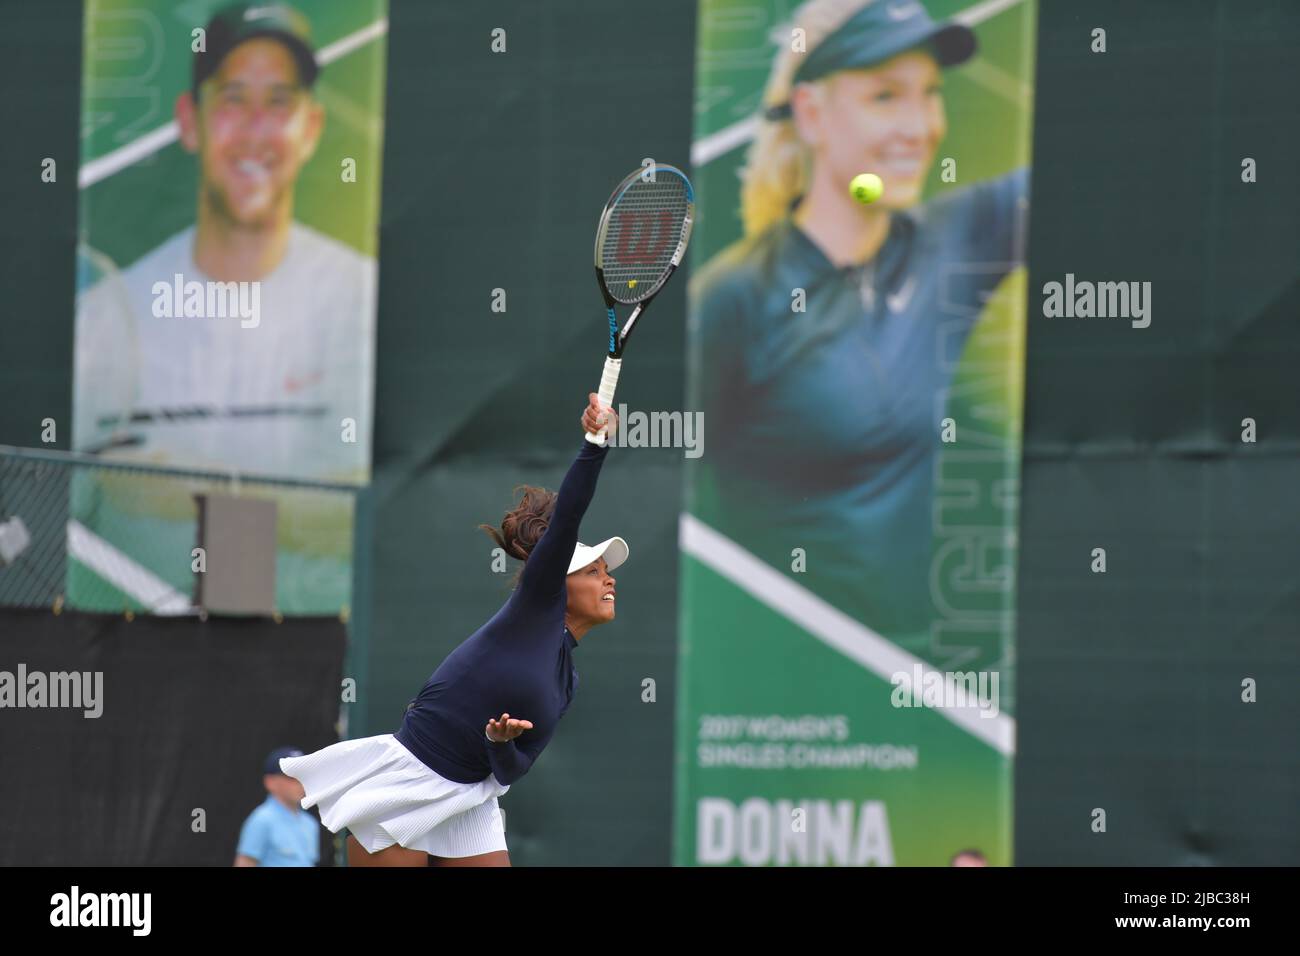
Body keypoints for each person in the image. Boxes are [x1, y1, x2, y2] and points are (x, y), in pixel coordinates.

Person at [690, 0, 1029, 650]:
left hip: (921, 685)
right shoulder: (734, 297)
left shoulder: (953, 236)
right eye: (884, 96)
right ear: (813, 113)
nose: (920, 126)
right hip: (777, 689)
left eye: (929, 94)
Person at [281, 394, 626, 867]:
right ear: (557, 584)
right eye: (593, 571)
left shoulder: (566, 681)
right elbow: (568, 517)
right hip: (410, 780)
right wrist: (596, 441)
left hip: (472, 796)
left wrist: (499, 745)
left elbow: (514, 768)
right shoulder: (535, 607)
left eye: (607, 571)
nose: (608, 579)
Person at [74, 2, 376, 483]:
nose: (256, 128)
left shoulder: (364, 305)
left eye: (279, 101)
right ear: (189, 121)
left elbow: (374, 509)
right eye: (233, 98)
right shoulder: (107, 318)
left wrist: (166, 485)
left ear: (311, 128)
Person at [234, 746, 322, 867]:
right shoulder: (261, 820)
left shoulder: (310, 823)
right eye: (291, 777)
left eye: (302, 776)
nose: (300, 783)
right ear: (270, 782)